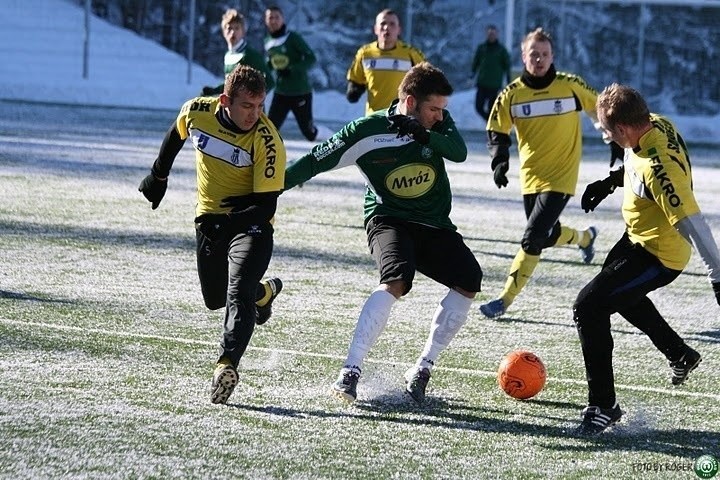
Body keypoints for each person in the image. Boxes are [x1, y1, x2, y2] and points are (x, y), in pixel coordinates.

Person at [283, 62, 483, 405]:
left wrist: (424, 133)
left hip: (434, 224)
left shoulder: (438, 123)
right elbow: (316, 160)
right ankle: (350, 371)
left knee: (470, 279)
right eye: (433, 109)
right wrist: (266, 190)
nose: (440, 116)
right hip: (388, 218)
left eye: (442, 109)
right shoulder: (366, 131)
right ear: (408, 102)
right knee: (397, 280)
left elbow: (459, 152)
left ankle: (422, 367)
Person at [573, 83, 720, 435]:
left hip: (659, 255)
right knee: (615, 295)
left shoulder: (660, 167)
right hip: (636, 238)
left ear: (622, 128)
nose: (607, 137)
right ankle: (680, 353)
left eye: (608, 132)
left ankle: (603, 406)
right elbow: (635, 164)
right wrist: (611, 182)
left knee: (589, 306)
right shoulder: (654, 122)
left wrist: (718, 276)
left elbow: (695, 224)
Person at [138, 65, 286, 405]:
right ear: (225, 101)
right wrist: (158, 176)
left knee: (238, 289)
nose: (255, 114)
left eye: (260, 105)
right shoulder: (198, 111)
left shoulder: (267, 140)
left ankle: (226, 364)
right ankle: (262, 295)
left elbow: (265, 208)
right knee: (215, 298)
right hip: (209, 219)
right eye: (248, 106)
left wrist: (231, 220)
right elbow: (176, 134)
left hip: (252, 224)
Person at [479, 27, 622, 319]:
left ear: (552, 55)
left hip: (562, 176)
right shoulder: (511, 94)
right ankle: (584, 239)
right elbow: (496, 129)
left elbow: (601, 110)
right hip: (531, 177)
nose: (540, 59)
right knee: (546, 234)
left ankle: (504, 300)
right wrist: (500, 161)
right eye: (534, 54)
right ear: (523, 56)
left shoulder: (570, 85)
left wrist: (614, 143)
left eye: (544, 54)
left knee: (532, 238)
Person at [263, 5, 331, 141]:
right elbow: (272, 63)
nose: (274, 20)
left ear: (283, 19)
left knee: (309, 133)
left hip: (300, 92)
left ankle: (334, 138)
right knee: (270, 129)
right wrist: (262, 74)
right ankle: (268, 159)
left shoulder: (293, 38)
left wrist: (292, 69)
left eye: (277, 17)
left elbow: (311, 58)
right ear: (266, 21)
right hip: (281, 93)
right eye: (270, 17)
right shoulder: (268, 41)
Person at [346, 8, 425, 115]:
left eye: (392, 24)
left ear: (399, 30)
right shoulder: (365, 53)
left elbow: (427, 79)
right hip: (373, 118)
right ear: (375, 29)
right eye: (383, 23)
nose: (386, 27)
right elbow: (356, 80)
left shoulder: (411, 54)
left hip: (402, 118)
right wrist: (354, 90)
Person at [201, 9, 274, 96]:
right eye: (229, 28)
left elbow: (270, 82)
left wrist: (252, 101)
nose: (232, 32)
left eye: (237, 28)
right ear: (224, 32)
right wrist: (214, 91)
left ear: (243, 32)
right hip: (233, 107)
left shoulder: (250, 55)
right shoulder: (228, 55)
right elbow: (231, 85)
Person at [471, 24, 511, 122]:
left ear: (497, 34)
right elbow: (476, 62)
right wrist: (472, 73)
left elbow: (507, 66)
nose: (491, 35)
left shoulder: (501, 50)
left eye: (493, 33)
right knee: (478, 107)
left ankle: (491, 130)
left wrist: (509, 80)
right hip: (482, 83)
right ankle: (489, 122)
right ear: (486, 34)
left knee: (492, 109)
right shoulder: (481, 48)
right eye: (489, 33)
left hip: (494, 85)